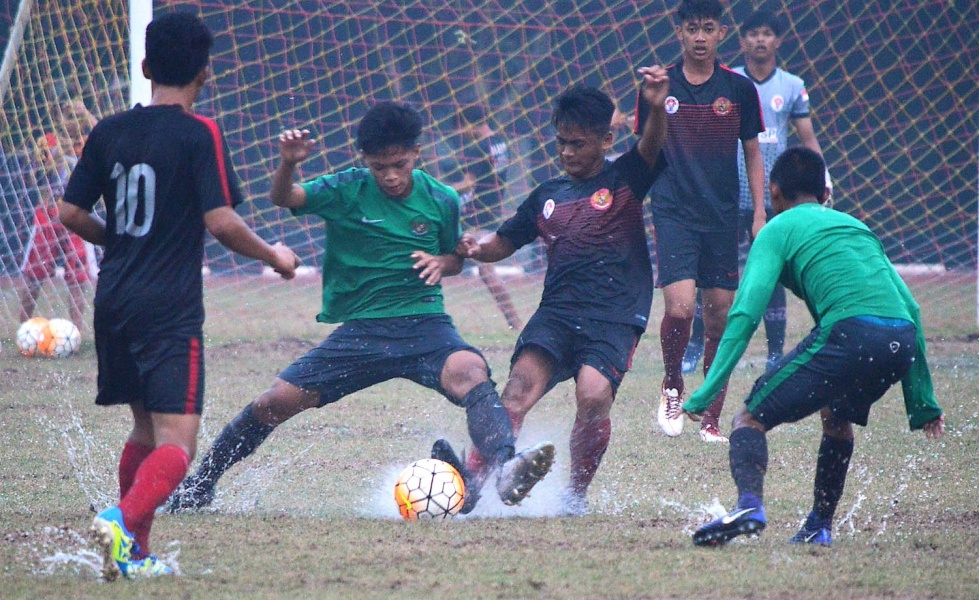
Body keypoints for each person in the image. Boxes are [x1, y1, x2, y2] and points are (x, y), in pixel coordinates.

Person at [165, 101, 556, 517]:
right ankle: (200, 487)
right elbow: (284, 197)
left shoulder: (442, 199)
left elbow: (454, 257)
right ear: (364, 161)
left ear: (416, 154)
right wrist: (288, 165)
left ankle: (506, 465)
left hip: (424, 324)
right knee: (271, 403)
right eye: (378, 166)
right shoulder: (346, 189)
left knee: (471, 371)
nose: (389, 175)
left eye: (399, 164)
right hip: (361, 333)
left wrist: (443, 262)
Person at [59, 12, 301, 580]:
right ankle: (122, 520)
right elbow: (221, 222)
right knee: (179, 444)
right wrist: (275, 256)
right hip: (168, 307)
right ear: (206, 72)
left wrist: (115, 238)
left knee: (145, 431)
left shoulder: (108, 130)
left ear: (144, 68)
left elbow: (70, 212)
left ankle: (134, 553)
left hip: (113, 297)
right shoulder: (201, 133)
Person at [684, 146, 945, 547]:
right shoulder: (856, 227)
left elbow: (745, 314)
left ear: (772, 193)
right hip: (899, 342)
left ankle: (750, 506)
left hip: (851, 332)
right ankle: (818, 527)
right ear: (826, 194)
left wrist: (706, 390)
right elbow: (910, 308)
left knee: (749, 419)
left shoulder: (776, 229)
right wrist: (922, 402)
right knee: (836, 417)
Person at [452, 70, 670, 516]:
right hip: (557, 314)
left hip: (614, 316)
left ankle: (575, 495)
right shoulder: (545, 195)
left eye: (578, 144)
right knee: (515, 392)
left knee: (592, 396)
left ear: (605, 141)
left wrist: (655, 103)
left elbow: (652, 145)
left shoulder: (626, 177)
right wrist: (478, 248)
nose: (567, 153)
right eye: (562, 143)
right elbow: (505, 241)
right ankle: (471, 484)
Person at [635, 0, 766, 443]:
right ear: (680, 33)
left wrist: (760, 213)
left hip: (722, 215)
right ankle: (672, 385)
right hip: (673, 212)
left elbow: (752, 151)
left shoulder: (739, 89)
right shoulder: (659, 85)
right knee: (680, 308)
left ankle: (711, 418)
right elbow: (646, 149)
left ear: (721, 34)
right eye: (692, 28)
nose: (700, 37)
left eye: (708, 28)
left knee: (719, 321)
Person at [682, 9, 831, 376]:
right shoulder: (728, 81)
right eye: (753, 34)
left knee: (772, 271)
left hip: (772, 195)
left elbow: (807, 138)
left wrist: (823, 177)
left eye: (767, 34)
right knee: (712, 271)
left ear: (777, 41)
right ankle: (695, 346)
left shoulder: (793, 86)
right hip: (726, 192)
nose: (760, 40)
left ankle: (775, 353)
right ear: (742, 40)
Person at [446, 105, 523, 330]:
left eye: (460, 129)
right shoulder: (499, 142)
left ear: (469, 124)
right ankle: (514, 323)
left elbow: (469, 183)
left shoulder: (476, 148)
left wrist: (441, 188)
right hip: (491, 208)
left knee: (485, 270)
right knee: (484, 269)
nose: (460, 135)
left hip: (474, 212)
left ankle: (516, 323)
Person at [16, 132, 93, 328]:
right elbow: (31, 179)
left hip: (75, 214)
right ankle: (24, 327)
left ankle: (76, 329)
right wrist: (44, 160)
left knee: (77, 277)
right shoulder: (46, 148)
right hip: (48, 215)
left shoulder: (81, 141)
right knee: (34, 273)